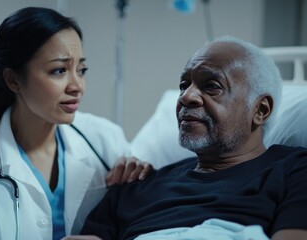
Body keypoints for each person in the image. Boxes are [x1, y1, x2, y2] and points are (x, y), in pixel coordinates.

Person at [0, 7, 153, 240]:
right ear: (13, 79)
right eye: (59, 70)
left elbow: (147, 224)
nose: (77, 86)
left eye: (81, 70)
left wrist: (142, 176)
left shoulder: (105, 139)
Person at [78, 36, 307, 240]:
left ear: (260, 110)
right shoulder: (135, 186)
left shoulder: (294, 172)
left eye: (212, 86)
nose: (187, 97)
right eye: (183, 85)